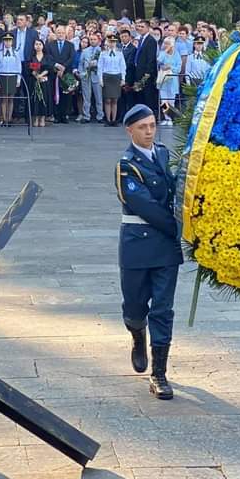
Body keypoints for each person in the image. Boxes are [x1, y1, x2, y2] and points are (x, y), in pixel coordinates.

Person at [115, 104, 183, 399]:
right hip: (138, 245)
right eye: (142, 127)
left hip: (165, 249)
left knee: (163, 310)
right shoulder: (126, 165)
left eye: (153, 125)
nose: (149, 132)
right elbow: (147, 207)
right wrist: (182, 230)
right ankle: (136, 334)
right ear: (130, 130)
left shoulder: (164, 155)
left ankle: (159, 373)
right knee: (134, 306)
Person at [46, 25, 76, 123]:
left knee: (66, 95)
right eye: (58, 32)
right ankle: (56, 115)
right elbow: (49, 57)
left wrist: (63, 67)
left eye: (62, 32)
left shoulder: (70, 45)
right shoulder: (50, 44)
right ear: (55, 33)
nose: (60, 34)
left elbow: (71, 58)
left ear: (65, 34)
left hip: (66, 73)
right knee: (54, 93)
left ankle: (64, 115)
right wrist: (57, 66)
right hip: (54, 73)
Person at [0, 32, 22, 126]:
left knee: (11, 98)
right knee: (4, 98)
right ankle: (4, 119)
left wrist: (18, 79)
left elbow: (19, 67)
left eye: (9, 40)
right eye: (6, 40)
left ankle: (9, 119)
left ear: (12, 41)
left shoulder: (16, 53)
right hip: (3, 76)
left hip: (13, 76)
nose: (8, 42)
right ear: (3, 41)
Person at [132, 20, 159, 116]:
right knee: (140, 96)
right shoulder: (141, 39)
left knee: (148, 96)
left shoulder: (151, 40)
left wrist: (147, 74)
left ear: (147, 28)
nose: (139, 28)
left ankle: (150, 116)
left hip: (146, 74)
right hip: (138, 71)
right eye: (138, 26)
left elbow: (151, 59)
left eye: (142, 26)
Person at [99, 35, 126, 126]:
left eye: (113, 42)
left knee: (115, 99)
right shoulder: (103, 53)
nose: (112, 43)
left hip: (116, 76)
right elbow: (100, 67)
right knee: (107, 99)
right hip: (107, 76)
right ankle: (108, 119)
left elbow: (123, 66)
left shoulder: (119, 53)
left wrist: (123, 79)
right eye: (110, 41)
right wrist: (100, 79)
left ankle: (114, 120)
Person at [78, 33, 103, 123]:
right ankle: (86, 116)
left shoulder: (101, 51)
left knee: (98, 97)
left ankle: (100, 116)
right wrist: (81, 73)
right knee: (86, 97)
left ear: (98, 40)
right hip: (86, 76)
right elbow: (80, 63)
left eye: (94, 39)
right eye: (91, 39)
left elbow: (103, 64)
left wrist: (96, 64)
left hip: (96, 76)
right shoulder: (85, 51)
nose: (92, 41)